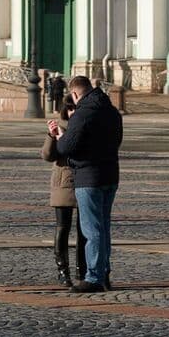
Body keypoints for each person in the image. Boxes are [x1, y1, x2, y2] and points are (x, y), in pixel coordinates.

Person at [53, 74, 121, 293]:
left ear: (74, 93)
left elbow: (67, 147)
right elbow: (117, 141)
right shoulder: (111, 111)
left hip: (88, 177)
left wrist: (60, 138)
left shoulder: (83, 113)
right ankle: (104, 273)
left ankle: (94, 277)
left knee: (92, 229)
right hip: (110, 174)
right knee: (104, 227)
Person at [43, 96, 88, 287]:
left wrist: (63, 138)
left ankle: (82, 270)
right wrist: (51, 136)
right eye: (69, 109)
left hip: (84, 181)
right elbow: (48, 155)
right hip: (63, 183)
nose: (72, 112)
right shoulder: (61, 127)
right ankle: (63, 271)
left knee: (83, 230)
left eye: (75, 108)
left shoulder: (86, 128)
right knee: (62, 228)